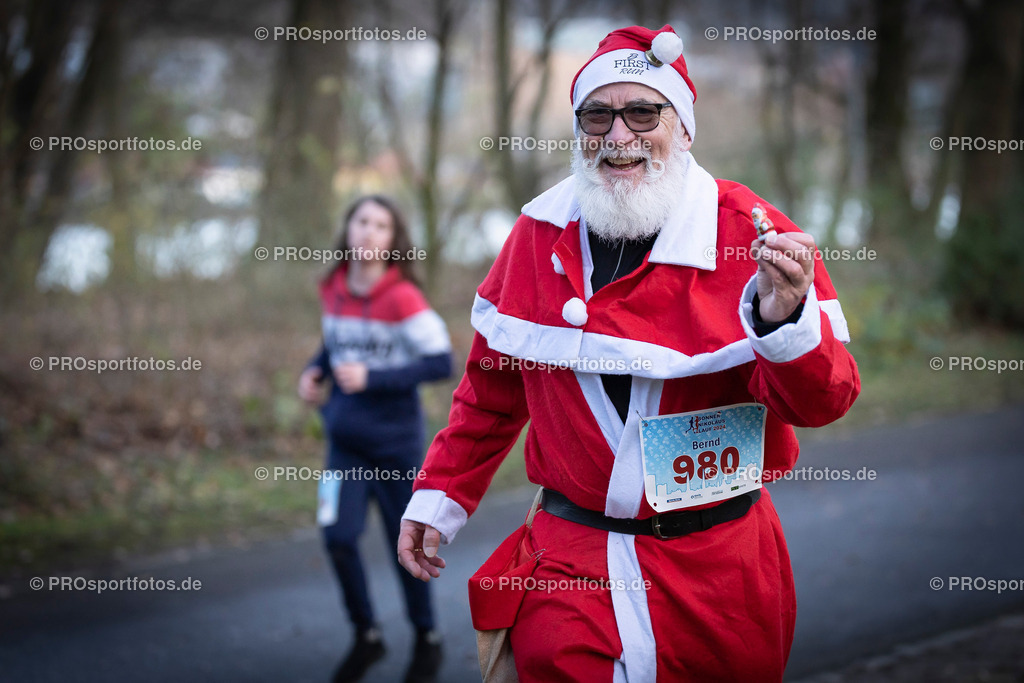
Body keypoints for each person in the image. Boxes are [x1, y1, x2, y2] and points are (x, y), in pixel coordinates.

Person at [397, 25, 860, 682]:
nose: (618, 136)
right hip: (572, 562)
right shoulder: (537, 233)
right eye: (598, 116)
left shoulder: (754, 236)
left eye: (644, 113)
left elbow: (823, 403)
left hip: (722, 572)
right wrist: (438, 496)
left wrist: (782, 319)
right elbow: (490, 392)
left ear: (684, 129)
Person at [298, 195, 452, 683]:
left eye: (380, 225)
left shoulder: (402, 297)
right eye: (362, 221)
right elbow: (334, 343)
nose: (368, 231)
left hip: (395, 446)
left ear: (392, 240)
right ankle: (366, 635)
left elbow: (441, 362)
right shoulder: (333, 285)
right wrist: (314, 371)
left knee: (403, 545)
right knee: (336, 536)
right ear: (348, 228)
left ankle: (427, 638)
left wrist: (372, 378)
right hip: (343, 444)